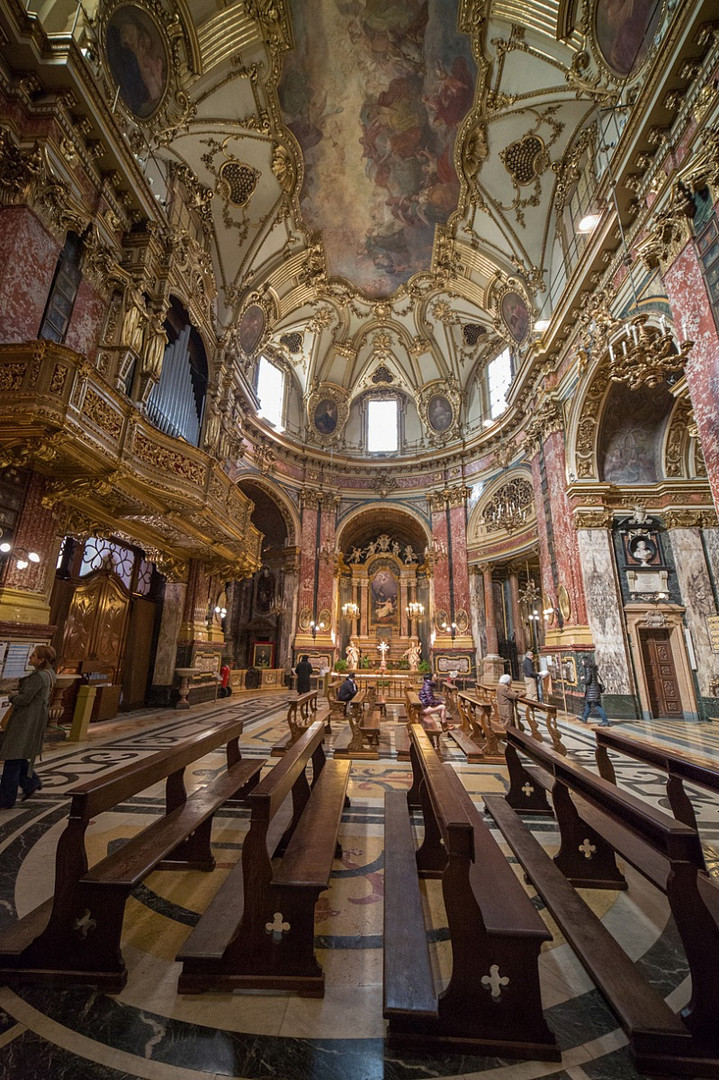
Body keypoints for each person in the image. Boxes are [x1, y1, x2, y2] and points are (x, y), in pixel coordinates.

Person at [0, 645, 56, 809]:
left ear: (41, 660)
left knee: (12, 756)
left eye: (33, 656)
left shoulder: (39, 676)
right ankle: (31, 783)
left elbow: (24, 699)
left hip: (25, 720)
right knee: (17, 754)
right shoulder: (50, 674)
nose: (30, 658)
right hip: (35, 719)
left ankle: (6, 798)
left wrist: (11, 696)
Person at [581, 660, 610, 726]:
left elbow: (588, 681)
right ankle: (584, 718)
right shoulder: (593, 669)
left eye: (582, 661)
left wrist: (583, 679)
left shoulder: (588, 669)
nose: (582, 662)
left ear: (586, 662)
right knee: (588, 705)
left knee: (598, 706)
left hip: (592, 691)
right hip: (593, 690)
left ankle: (605, 720)